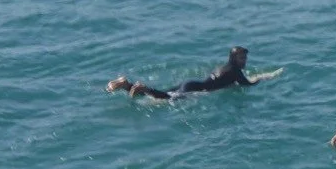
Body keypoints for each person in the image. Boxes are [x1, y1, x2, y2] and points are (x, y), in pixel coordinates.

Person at [107, 47, 275, 100]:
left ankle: (126, 84)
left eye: (245, 58)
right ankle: (143, 88)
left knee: (162, 93)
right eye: (242, 58)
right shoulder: (236, 72)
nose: (244, 61)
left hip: (191, 82)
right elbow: (248, 84)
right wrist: (263, 78)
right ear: (234, 58)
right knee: (166, 99)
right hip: (195, 89)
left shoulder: (225, 67)